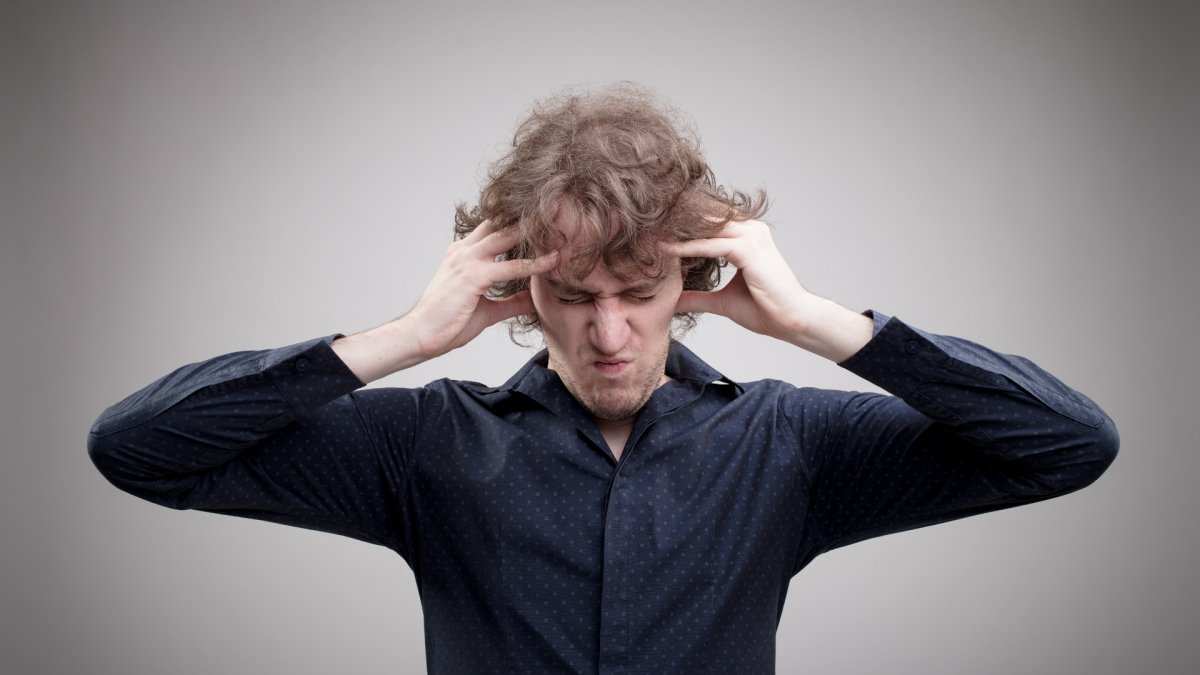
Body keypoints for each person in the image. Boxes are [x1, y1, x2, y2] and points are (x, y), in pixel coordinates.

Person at [87, 83, 1118, 673]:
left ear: (694, 283)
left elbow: (1069, 446)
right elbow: (136, 450)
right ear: (523, 295)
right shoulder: (425, 446)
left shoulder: (787, 446)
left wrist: (815, 324)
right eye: (576, 296)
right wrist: (405, 338)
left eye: (639, 291)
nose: (611, 333)